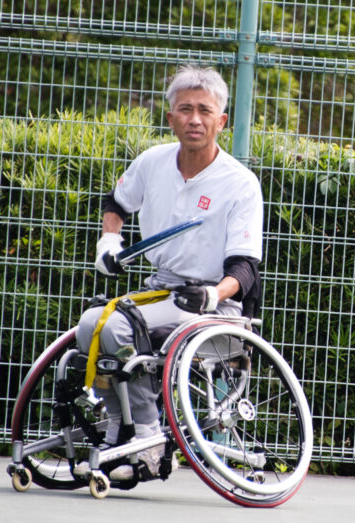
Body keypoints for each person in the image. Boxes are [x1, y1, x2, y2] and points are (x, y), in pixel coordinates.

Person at [74, 64, 264, 481]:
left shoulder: (241, 183)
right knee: (89, 324)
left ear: (221, 121)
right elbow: (117, 202)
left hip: (215, 305)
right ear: (171, 118)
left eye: (204, 111)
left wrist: (213, 294)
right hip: (161, 290)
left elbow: (245, 269)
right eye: (185, 109)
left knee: (118, 327)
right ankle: (118, 428)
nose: (195, 119)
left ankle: (147, 442)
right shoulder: (152, 162)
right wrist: (109, 243)